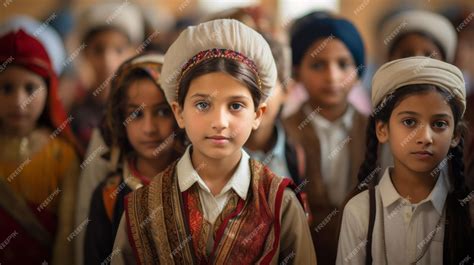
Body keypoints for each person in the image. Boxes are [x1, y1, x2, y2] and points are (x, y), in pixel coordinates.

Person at [111, 19, 316, 265]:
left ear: (257, 115)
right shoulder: (142, 208)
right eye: (202, 105)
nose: (219, 121)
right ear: (179, 112)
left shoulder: (280, 203)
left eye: (236, 106)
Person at [337, 57, 474, 264]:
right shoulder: (360, 211)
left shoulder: (467, 212)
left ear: (455, 135)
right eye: (409, 122)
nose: (425, 137)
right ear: (382, 130)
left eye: (439, 124)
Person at [84, 53, 186, 264]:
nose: (149, 129)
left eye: (162, 112)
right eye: (136, 115)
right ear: (119, 119)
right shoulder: (109, 196)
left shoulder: (195, 183)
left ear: (180, 114)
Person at [285, 11, 368, 264]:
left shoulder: (377, 130)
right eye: (318, 65)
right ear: (297, 72)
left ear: (358, 71)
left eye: (343, 64)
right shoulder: (285, 129)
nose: (332, 77)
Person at [0, 29, 80, 264]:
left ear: (50, 91)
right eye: (6, 88)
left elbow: (68, 235)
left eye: (30, 88)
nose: (18, 101)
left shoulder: (62, 155)